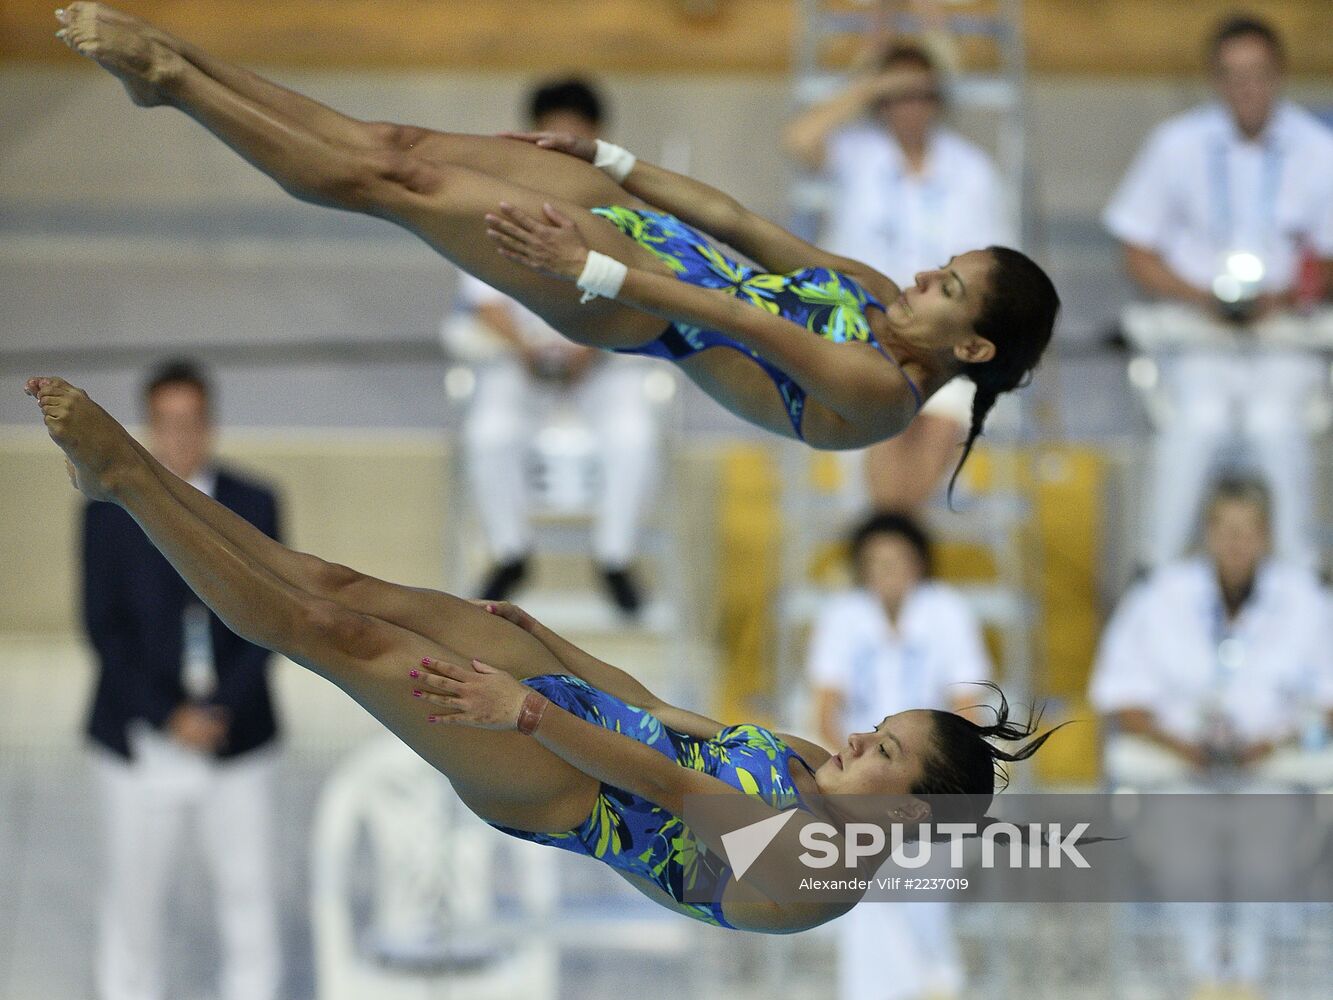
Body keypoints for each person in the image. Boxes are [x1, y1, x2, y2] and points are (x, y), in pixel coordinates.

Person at [29, 374, 1057, 934]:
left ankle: (129, 485)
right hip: (582, 713)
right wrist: (547, 643)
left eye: (881, 752)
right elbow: (666, 717)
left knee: (331, 636)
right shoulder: (804, 759)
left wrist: (517, 707)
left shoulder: (809, 875)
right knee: (337, 583)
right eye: (877, 729)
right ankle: (138, 488)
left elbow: (655, 777)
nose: (856, 739)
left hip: (559, 785)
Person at [54, 4, 1058, 488]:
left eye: (949, 286)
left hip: (633, 300)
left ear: (968, 347)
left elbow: (732, 312)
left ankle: (179, 90)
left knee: (391, 187)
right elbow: (747, 232)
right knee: (392, 143)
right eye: (946, 262)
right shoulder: (881, 292)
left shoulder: (882, 397)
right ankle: (181, 61)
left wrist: (596, 266)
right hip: (659, 243)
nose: (926, 275)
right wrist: (614, 162)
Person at [81, 362, 282, 1000]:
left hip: (237, 737)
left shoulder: (255, 503)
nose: (179, 438)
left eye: (191, 422)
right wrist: (171, 716)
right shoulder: (106, 510)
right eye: (165, 424)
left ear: (210, 424)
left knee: (248, 896)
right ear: (147, 429)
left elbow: (278, 619)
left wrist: (220, 708)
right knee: (134, 905)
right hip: (141, 741)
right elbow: (103, 630)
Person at [1088, 475, 1333, 996]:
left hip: (1271, 766)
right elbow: (1118, 695)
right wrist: (1183, 748)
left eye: (1248, 529)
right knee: (1186, 864)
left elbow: (1329, 704)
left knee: (1263, 862)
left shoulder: (1306, 600)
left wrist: (1275, 743)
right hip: (1181, 766)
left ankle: (1249, 977)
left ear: (1267, 535)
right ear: (1206, 533)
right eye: (1224, 528)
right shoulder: (1159, 597)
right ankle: (1203, 977)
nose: (1236, 542)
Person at [1102, 13, 1333, 566]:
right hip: (1199, 328)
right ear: (1214, 79)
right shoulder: (1177, 143)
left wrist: (1283, 298)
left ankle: (1302, 575)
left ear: (1278, 75)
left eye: (1257, 73)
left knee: (1276, 427)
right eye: (1232, 75)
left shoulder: (1317, 147)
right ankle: (1156, 566)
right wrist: (1198, 295)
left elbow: (1326, 258)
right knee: (1196, 422)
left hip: (1282, 332)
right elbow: (1136, 247)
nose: (1246, 88)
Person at [784, 2, 1014, 509]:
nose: (910, 106)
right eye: (898, 96)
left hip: (942, 338)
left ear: (938, 100)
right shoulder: (857, 154)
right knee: (885, 412)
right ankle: (897, 544)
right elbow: (799, 138)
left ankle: (889, 538)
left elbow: (996, 271)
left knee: (939, 419)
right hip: (862, 329)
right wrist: (874, 80)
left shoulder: (971, 170)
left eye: (921, 94)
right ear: (881, 101)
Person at [446, 78, 659, 611]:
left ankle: (614, 555)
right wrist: (523, 348)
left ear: (596, 139)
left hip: (603, 360)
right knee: (490, 432)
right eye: (551, 135)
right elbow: (482, 298)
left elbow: (647, 295)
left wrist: (595, 346)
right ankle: (510, 551)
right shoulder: (496, 201)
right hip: (524, 360)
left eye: (575, 137)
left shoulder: (626, 208)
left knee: (634, 434)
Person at [807, 512, 992, 1000]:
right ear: (862, 569)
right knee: (866, 866)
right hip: (866, 769)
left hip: (928, 772)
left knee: (884, 861)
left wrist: (945, 777)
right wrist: (851, 771)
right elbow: (826, 709)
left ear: (919, 565)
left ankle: (914, 980)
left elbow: (967, 707)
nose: (887, 572)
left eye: (897, 561)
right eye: (875, 563)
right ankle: (936, 976)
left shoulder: (947, 610)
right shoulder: (843, 615)